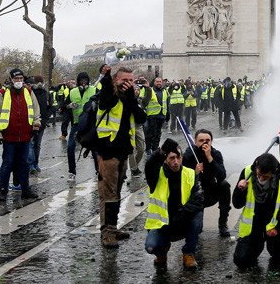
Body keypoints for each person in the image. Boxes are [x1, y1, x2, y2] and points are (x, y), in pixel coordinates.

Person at [95, 65, 146, 248]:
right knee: (108, 193)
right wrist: (107, 75)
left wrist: (133, 98)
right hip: (108, 150)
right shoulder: (109, 94)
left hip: (124, 150)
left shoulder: (129, 98)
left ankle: (113, 227)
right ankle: (107, 232)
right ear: (116, 80)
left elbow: (141, 118)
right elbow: (106, 95)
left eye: (131, 80)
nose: (128, 84)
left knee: (116, 192)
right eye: (124, 80)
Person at [232, 153, 280, 269]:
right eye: (259, 175)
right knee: (242, 261)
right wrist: (240, 190)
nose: (261, 179)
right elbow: (237, 204)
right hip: (253, 225)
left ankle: (274, 247)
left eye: (266, 177)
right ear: (256, 167)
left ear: (274, 172)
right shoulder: (248, 172)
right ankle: (256, 246)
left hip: (275, 224)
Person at [145, 138, 203, 270]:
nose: (175, 161)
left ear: (182, 157)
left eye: (178, 157)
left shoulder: (191, 174)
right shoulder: (156, 175)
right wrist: (161, 151)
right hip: (162, 224)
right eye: (171, 158)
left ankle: (188, 253)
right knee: (151, 246)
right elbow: (149, 165)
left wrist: (181, 215)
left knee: (198, 216)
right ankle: (161, 254)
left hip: (183, 221)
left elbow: (198, 200)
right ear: (165, 159)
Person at [0, 69, 41, 202]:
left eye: (20, 78)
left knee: (24, 164)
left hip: (25, 135)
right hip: (9, 136)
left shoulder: (29, 92)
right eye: (16, 79)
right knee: (7, 164)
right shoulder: (2, 93)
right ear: (11, 80)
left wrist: (36, 125)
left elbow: (36, 111)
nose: (19, 81)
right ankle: (3, 190)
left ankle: (25, 190)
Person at [182, 128, 231, 237]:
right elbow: (182, 179)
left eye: (207, 140)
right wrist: (195, 173)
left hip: (210, 191)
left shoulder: (216, 154)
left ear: (211, 141)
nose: (205, 143)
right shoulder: (189, 154)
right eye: (201, 140)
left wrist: (210, 158)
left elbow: (222, 175)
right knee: (197, 230)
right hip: (195, 193)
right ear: (195, 142)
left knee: (225, 185)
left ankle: (223, 223)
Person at [67, 72, 97, 183]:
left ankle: (98, 170)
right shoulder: (73, 91)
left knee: (94, 148)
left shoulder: (94, 90)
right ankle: (72, 171)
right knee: (70, 147)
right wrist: (69, 106)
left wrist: (96, 105)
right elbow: (63, 106)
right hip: (77, 124)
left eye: (85, 81)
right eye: (81, 81)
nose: (83, 83)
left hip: (90, 124)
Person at [29, 76, 50, 174]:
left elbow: (51, 106)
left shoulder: (46, 93)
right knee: (31, 144)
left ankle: (35, 163)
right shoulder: (30, 93)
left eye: (41, 82)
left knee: (37, 144)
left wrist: (45, 118)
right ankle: (31, 164)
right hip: (31, 122)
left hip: (41, 122)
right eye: (38, 82)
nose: (40, 84)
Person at [144, 77, 168, 157]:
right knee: (151, 134)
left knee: (158, 133)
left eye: (160, 82)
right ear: (154, 82)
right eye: (157, 81)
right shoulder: (150, 90)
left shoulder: (164, 91)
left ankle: (155, 149)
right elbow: (144, 101)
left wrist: (167, 114)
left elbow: (166, 103)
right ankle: (148, 149)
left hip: (161, 115)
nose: (159, 83)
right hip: (152, 115)